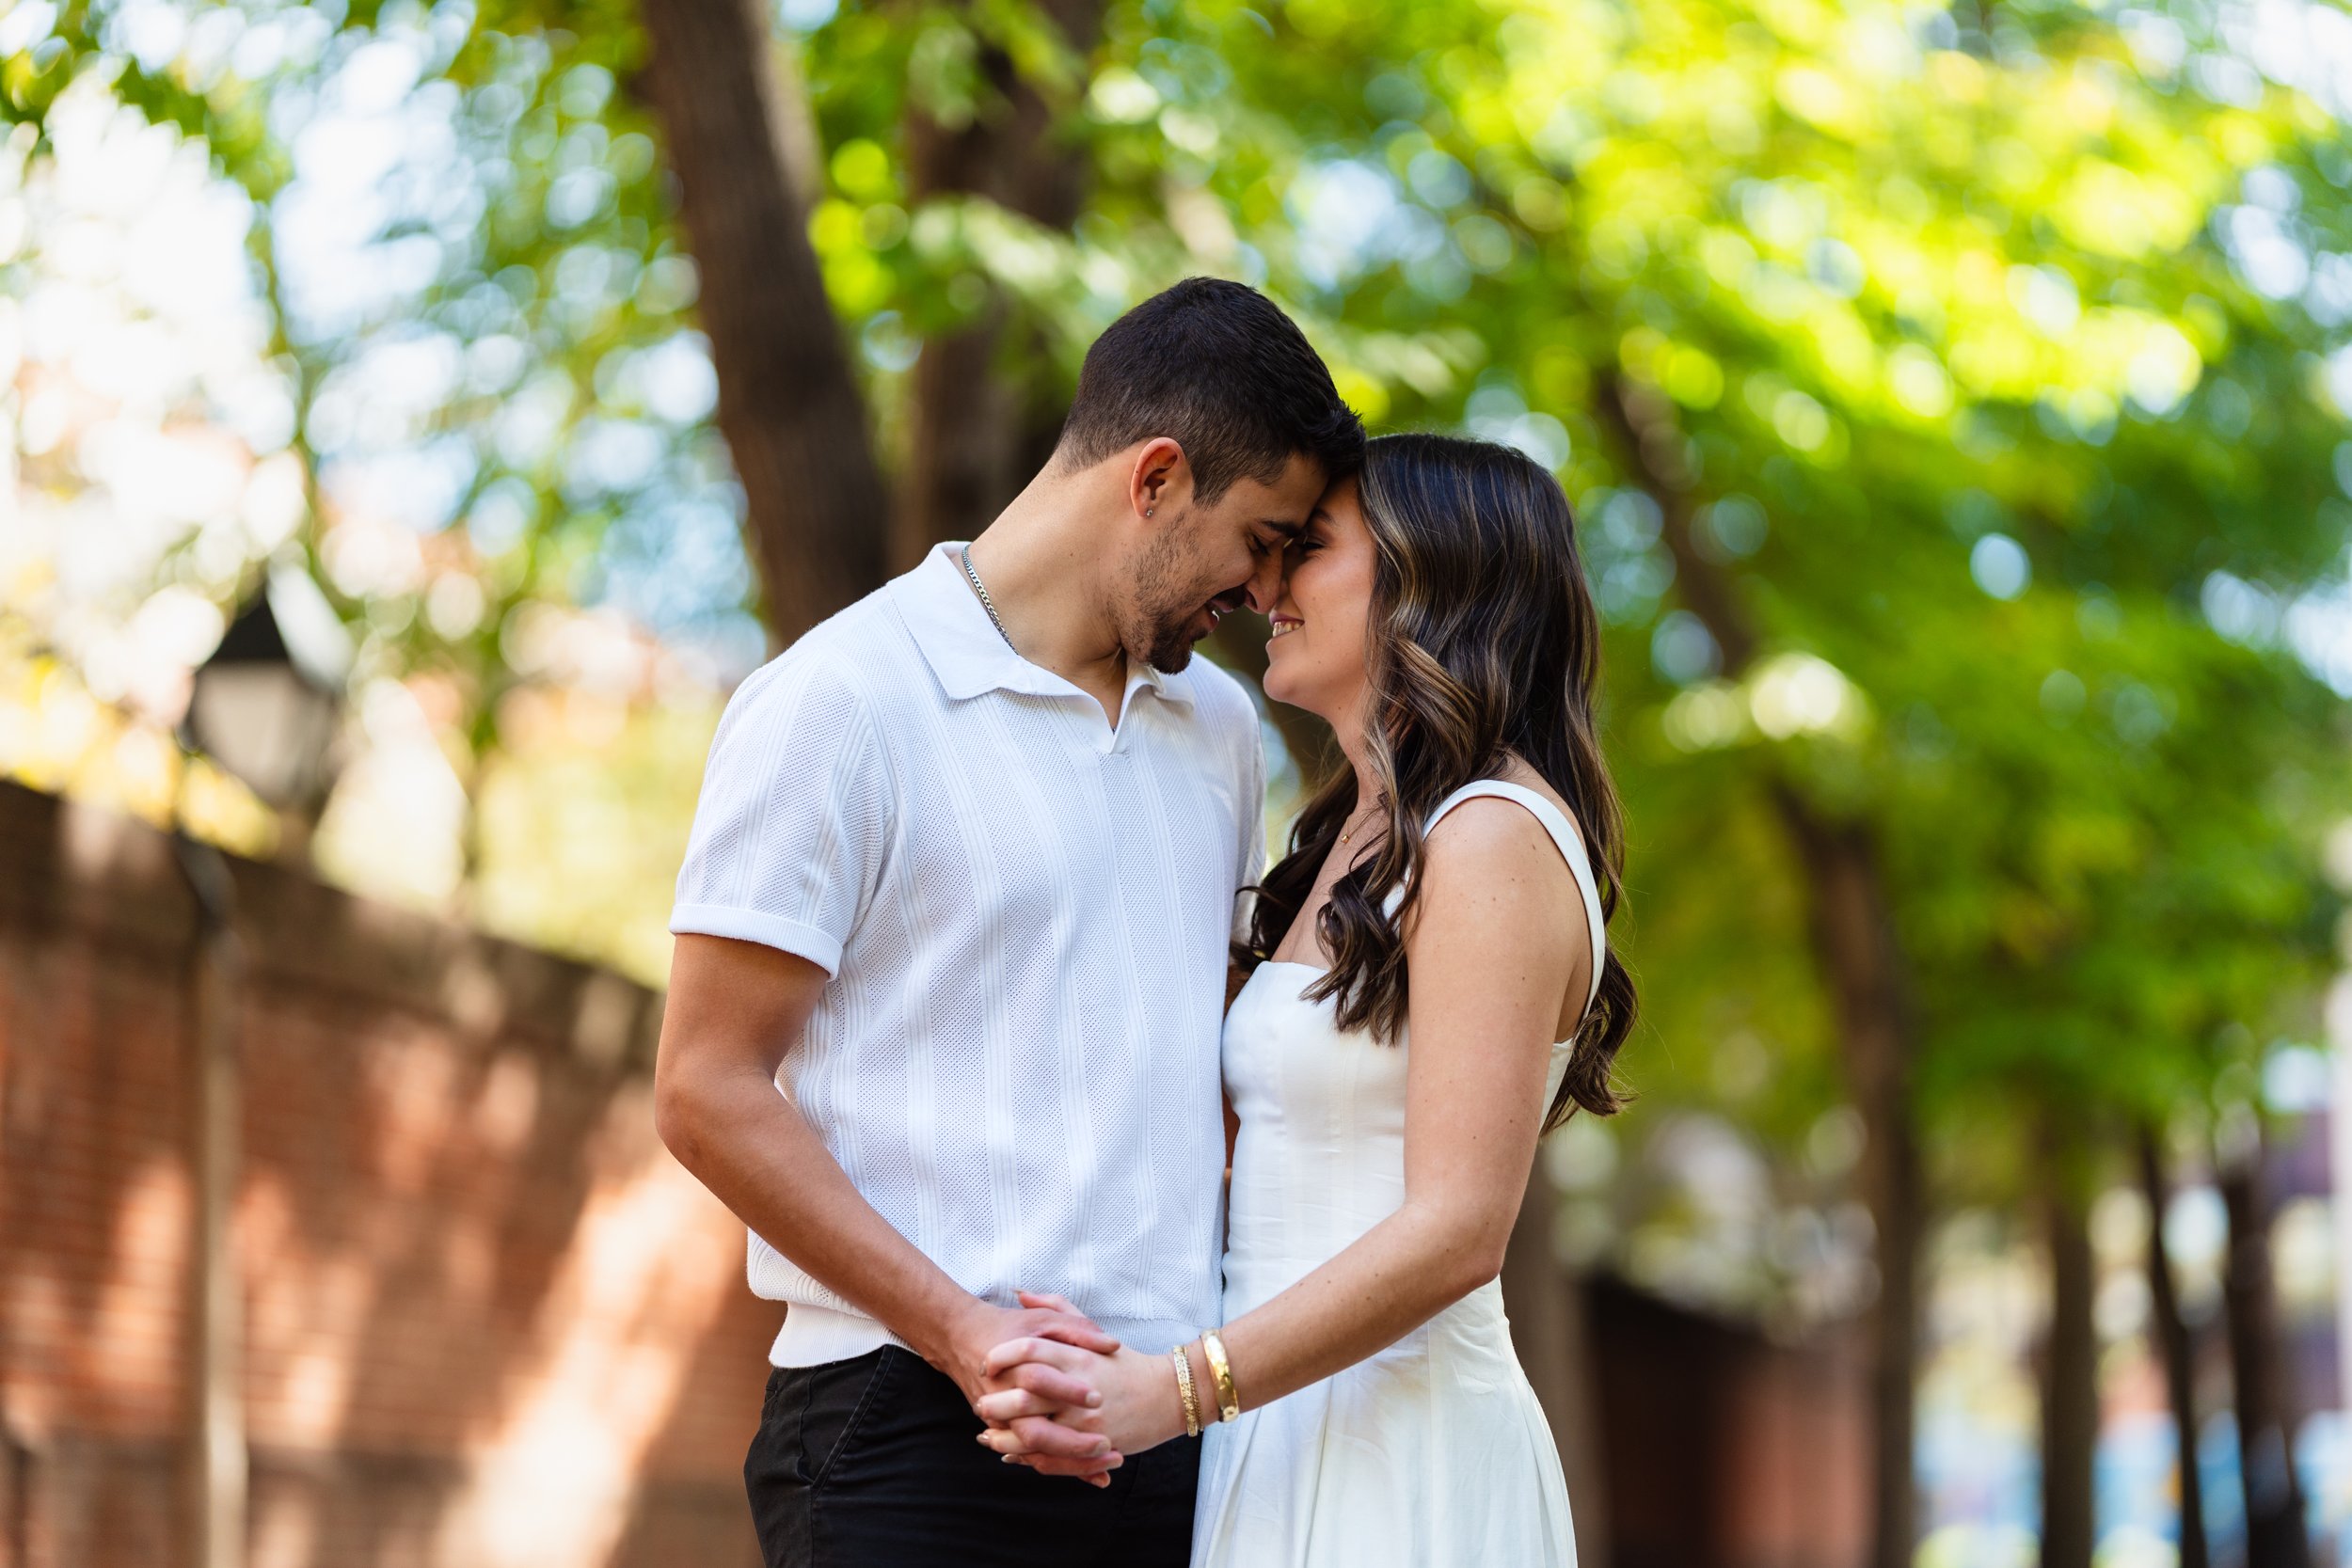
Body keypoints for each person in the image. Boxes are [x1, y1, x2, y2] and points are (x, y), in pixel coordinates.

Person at [652, 277, 1363, 1568]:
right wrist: (966, 1330)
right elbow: (704, 1085)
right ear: (1153, 479)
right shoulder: (840, 700)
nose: (1269, 591)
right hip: (907, 1427)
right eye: (1261, 538)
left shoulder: (1219, 736)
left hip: (1163, 1439)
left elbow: (1207, 1074)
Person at [977, 432, 1638, 1567]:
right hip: (1273, 1424)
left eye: (1308, 549)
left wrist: (1178, 1390)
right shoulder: (1347, 837)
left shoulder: (1489, 834)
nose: (1265, 585)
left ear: (1425, 580)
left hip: (1400, 1447)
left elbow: (1456, 1232)